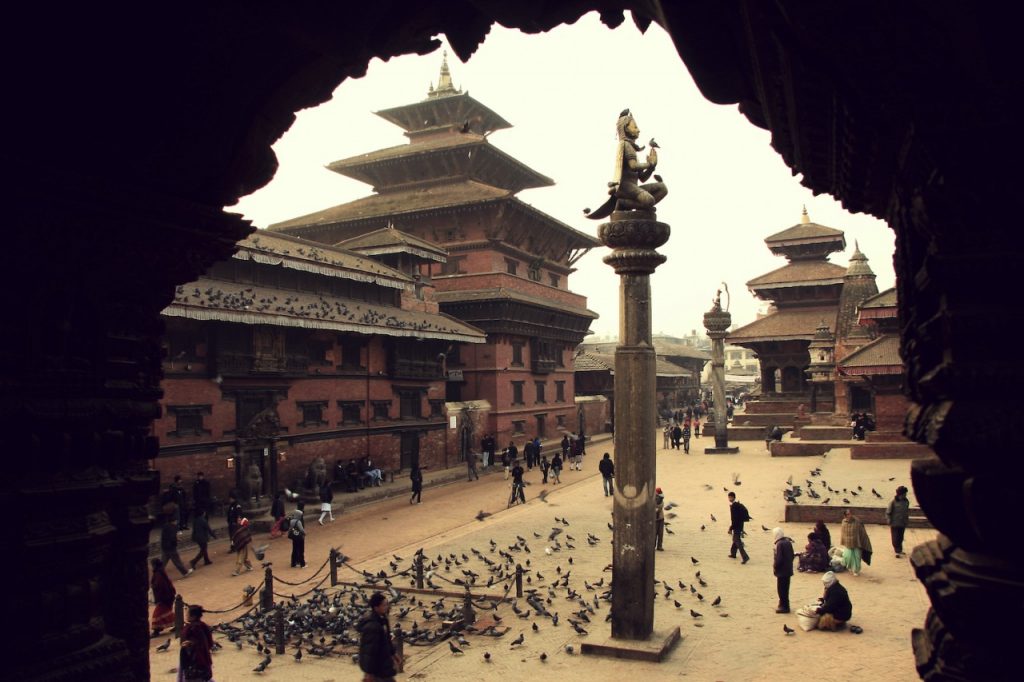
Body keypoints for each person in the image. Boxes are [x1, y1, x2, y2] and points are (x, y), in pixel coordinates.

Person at [358, 592, 400, 682]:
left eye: (387, 604)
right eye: (384, 605)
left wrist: (393, 653)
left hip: (384, 664)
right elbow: (369, 651)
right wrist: (369, 673)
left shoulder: (383, 619)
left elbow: (387, 639)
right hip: (377, 668)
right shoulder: (372, 627)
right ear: (376, 607)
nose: (387, 607)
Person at [179, 604, 214, 682]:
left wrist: (190, 644)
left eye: (187, 614)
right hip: (204, 659)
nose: (186, 615)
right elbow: (209, 642)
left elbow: (196, 642)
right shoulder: (203, 626)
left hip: (195, 661)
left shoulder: (193, 628)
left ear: (193, 616)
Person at [840, 509, 873, 576]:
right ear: (845, 515)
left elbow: (862, 532)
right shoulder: (843, 522)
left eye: (849, 514)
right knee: (847, 557)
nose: (849, 515)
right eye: (847, 514)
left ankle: (856, 571)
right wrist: (844, 541)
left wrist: (863, 541)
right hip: (848, 543)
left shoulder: (857, 521)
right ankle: (850, 567)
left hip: (857, 543)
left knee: (857, 558)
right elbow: (843, 533)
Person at [161, 513, 193, 578]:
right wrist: (176, 540)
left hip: (164, 546)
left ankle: (158, 572)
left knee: (163, 561)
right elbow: (172, 537)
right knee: (177, 560)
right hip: (171, 546)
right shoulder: (173, 527)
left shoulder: (165, 526)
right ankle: (185, 572)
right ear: (174, 521)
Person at [149, 558, 176, 637]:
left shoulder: (158, 574)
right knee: (167, 612)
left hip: (164, 597)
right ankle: (177, 624)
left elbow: (160, 587)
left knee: (157, 614)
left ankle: (156, 630)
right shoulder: (160, 572)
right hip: (168, 596)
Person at [773, 527, 795, 613]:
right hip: (788, 569)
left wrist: (775, 566)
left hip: (782, 571)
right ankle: (785, 605)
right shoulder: (787, 542)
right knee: (786, 589)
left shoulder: (779, 544)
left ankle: (784, 606)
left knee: (781, 589)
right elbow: (792, 555)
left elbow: (779, 559)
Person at [887, 485, 911, 557]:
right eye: (904, 493)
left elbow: (906, 512)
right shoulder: (893, 502)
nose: (905, 495)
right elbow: (888, 512)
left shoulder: (906, 501)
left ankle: (900, 550)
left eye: (906, 493)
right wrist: (889, 520)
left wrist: (906, 520)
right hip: (894, 523)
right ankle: (897, 551)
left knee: (901, 537)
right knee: (895, 537)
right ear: (900, 494)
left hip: (902, 523)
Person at [727, 491, 751, 563]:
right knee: (735, 539)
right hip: (740, 525)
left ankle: (745, 557)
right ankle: (733, 553)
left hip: (737, 526)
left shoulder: (734, 506)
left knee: (737, 541)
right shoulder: (737, 505)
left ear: (733, 497)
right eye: (729, 497)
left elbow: (734, 519)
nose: (729, 498)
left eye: (730, 497)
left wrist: (731, 528)